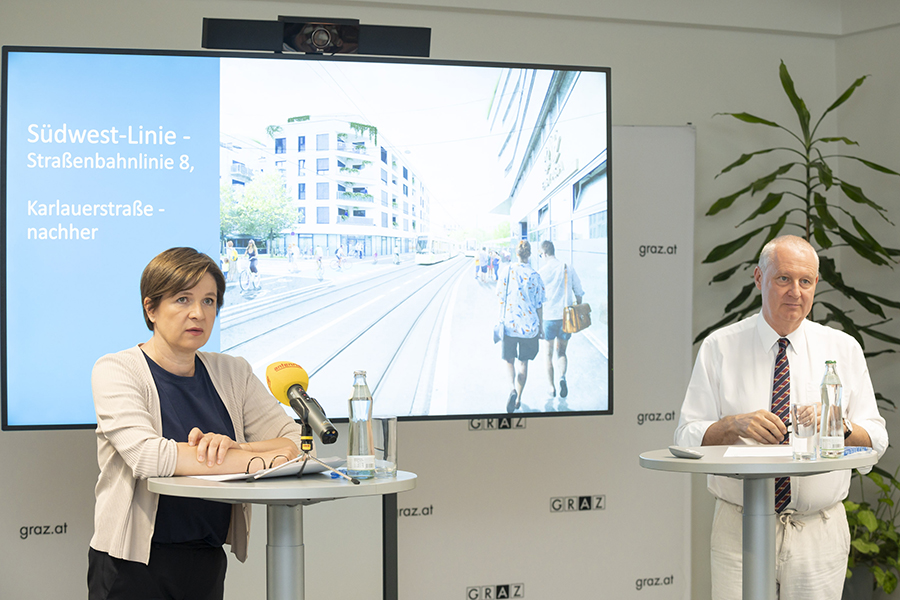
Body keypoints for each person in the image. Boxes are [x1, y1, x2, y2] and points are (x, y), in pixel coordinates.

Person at [675, 235, 888, 600]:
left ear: (815, 286)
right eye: (783, 279)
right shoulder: (719, 347)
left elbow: (876, 438)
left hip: (818, 530)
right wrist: (730, 426)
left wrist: (837, 424)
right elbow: (685, 437)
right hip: (738, 527)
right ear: (759, 279)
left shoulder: (843, 349)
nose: (795, 291)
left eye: (805, 281)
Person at [88, 247, 305, 600]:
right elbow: (149, 458)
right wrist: (257, 460)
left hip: (205, 558)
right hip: (132, 563)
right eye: (182, 299)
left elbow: (295, 441)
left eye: (208, 301)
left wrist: (240, 448)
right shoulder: (116, 369)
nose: (198, 313)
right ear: (151, 308)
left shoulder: (232, 371)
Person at [496, 240, 545, 413]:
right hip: (529, 327)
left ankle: (512, 389)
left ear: (516, 253)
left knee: (509, 360)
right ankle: (519, 398)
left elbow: (500, 296)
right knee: (523, 363)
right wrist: (541, 327)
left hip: (510, 324)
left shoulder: (506, 271)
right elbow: (539, 304)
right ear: (529, 254)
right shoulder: (535, 275)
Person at [537, 240, 584, 405]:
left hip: (549, 317)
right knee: (562, 352)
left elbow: (537, 297)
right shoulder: (567, 267)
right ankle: (562, 377)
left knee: (548, 355)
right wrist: (577, 304)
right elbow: (578, 291)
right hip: (566, 317)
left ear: (543, 253)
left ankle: (551, 387)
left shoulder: (542, 271)